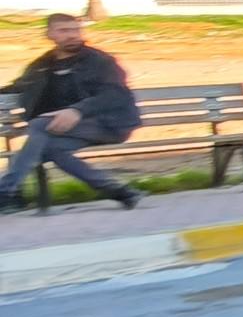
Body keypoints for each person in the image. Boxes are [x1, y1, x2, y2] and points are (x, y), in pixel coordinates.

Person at [0, 12, 142, 212]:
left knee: (39, 126)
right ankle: (122, 192)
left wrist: (77, 110)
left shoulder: (100, 61)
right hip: (67, 128)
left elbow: (115, 94)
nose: (72, 35)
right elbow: (19, 86)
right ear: (49, 34)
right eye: (64, 30)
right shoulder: (42, 66)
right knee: (50, 149)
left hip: (108, 123)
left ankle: (6, 192)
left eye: (76, 30)